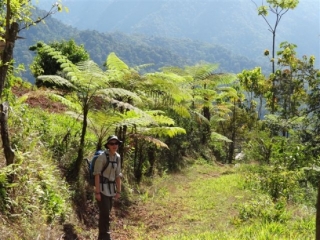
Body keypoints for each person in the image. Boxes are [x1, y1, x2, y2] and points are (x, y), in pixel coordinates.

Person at [93, 135, 122, 240]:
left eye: (116, 143)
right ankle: (105, 236)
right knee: (105, 213)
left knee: (107, 213)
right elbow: (97, 174)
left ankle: (102, 236)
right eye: (112, 143)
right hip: (102, 189)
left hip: (111, 190)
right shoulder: (102, 157)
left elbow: (118, 175)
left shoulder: (118, 157)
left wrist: (119, 191)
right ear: (108, 145)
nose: (114, 145)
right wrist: (97, 192)